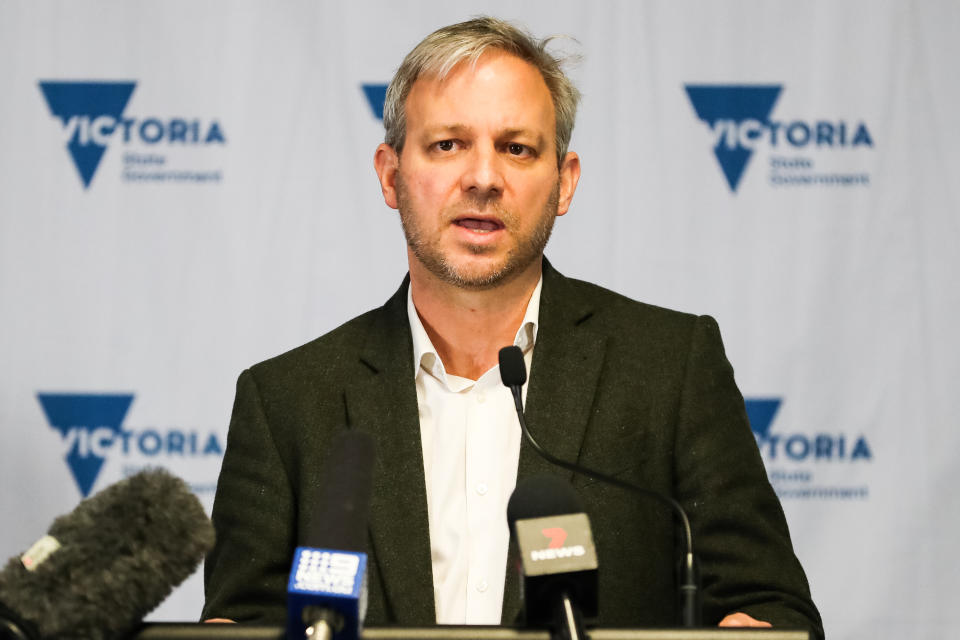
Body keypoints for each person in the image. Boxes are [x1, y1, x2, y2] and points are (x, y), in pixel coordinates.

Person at [202, 16, 823, 638]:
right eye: (447, 144)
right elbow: (243, 618)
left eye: (517, 148)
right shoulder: (286, 401)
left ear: (564, 182)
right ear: (391, 175)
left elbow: (771, 602)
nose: (483, 178)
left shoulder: (669, 368)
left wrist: (759, 627)